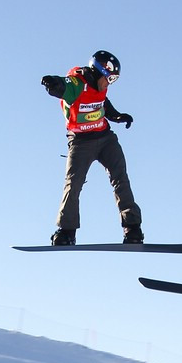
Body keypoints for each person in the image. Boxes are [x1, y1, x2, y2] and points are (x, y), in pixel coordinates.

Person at [41, 50, 143, 246]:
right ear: (98, 72)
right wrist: (53, 83)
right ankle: (66, 232)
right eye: (109, 79)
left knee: (120, 177)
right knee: (74, 183)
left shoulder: (100, 87)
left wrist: (118, 116)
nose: (109, 83)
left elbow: (103, 102)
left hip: (105, 138)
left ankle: (133, 229)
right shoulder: (78, 84)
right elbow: (63, 86)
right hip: (80, 142)